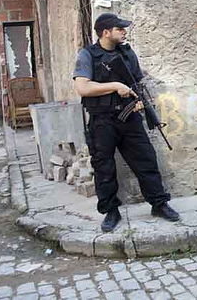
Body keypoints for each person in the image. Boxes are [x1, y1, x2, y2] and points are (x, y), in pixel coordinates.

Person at [73, 13, 180, 233]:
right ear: (105, 32)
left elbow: (137, 83)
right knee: (104, 166)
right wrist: (114, 85)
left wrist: (140, 101)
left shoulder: (128, 54)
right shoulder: (88, 55)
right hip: (102, 120)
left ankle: (159, 204)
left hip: (129, 117)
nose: (124, 31)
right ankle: (111, 211)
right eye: (119, 28)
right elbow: (82, 87)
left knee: (146, 160)